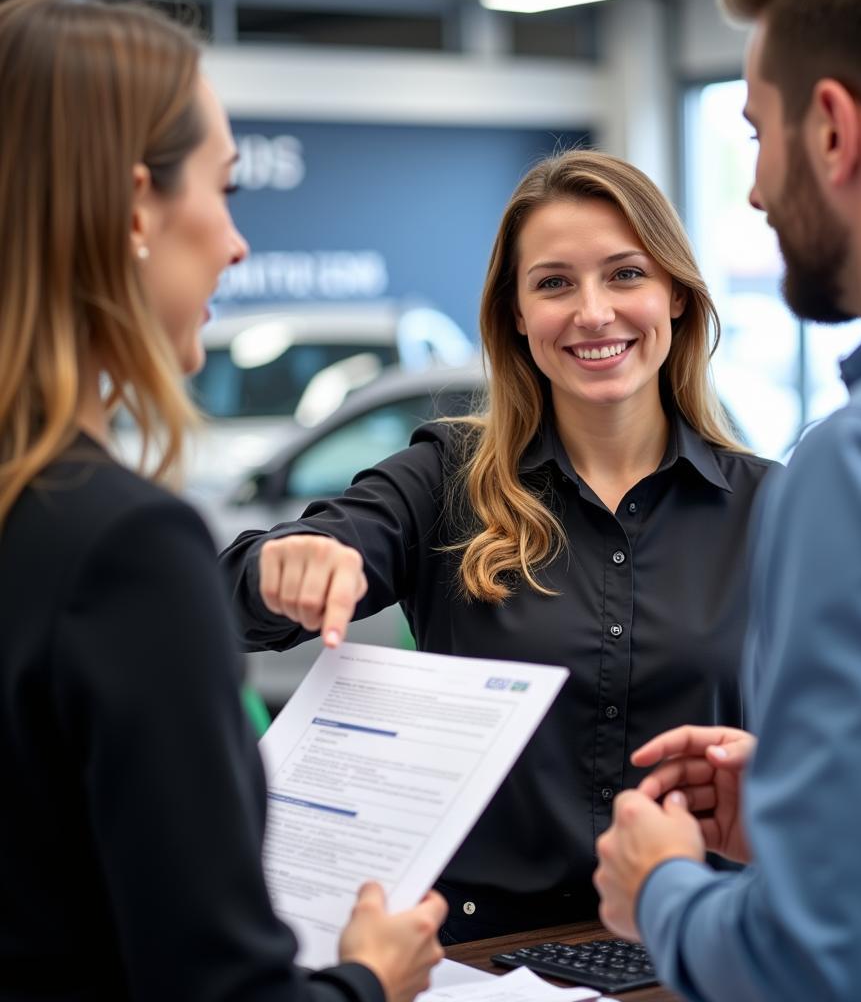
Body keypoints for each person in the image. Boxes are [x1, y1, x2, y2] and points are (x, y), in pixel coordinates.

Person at [0, 0, 446, 1001]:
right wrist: (368, 977)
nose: (238, 243)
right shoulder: (123, 546)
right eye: (224, 186)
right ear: (132, 209)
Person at [220, 150, 778, 941]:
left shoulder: (774, 507)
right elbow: (228, 598)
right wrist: (284, 567)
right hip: (484, 960)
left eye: (625, 275)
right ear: (515, 313)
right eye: (554, 283)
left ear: (677, 297)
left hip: (695, 951)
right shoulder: (444, 479)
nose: (592, 313)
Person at [593, 0, 861, 999]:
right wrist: (824, 809)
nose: (749, 191)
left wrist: (663, 888)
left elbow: (832, 965)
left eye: (755, 132)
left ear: (830, 130)